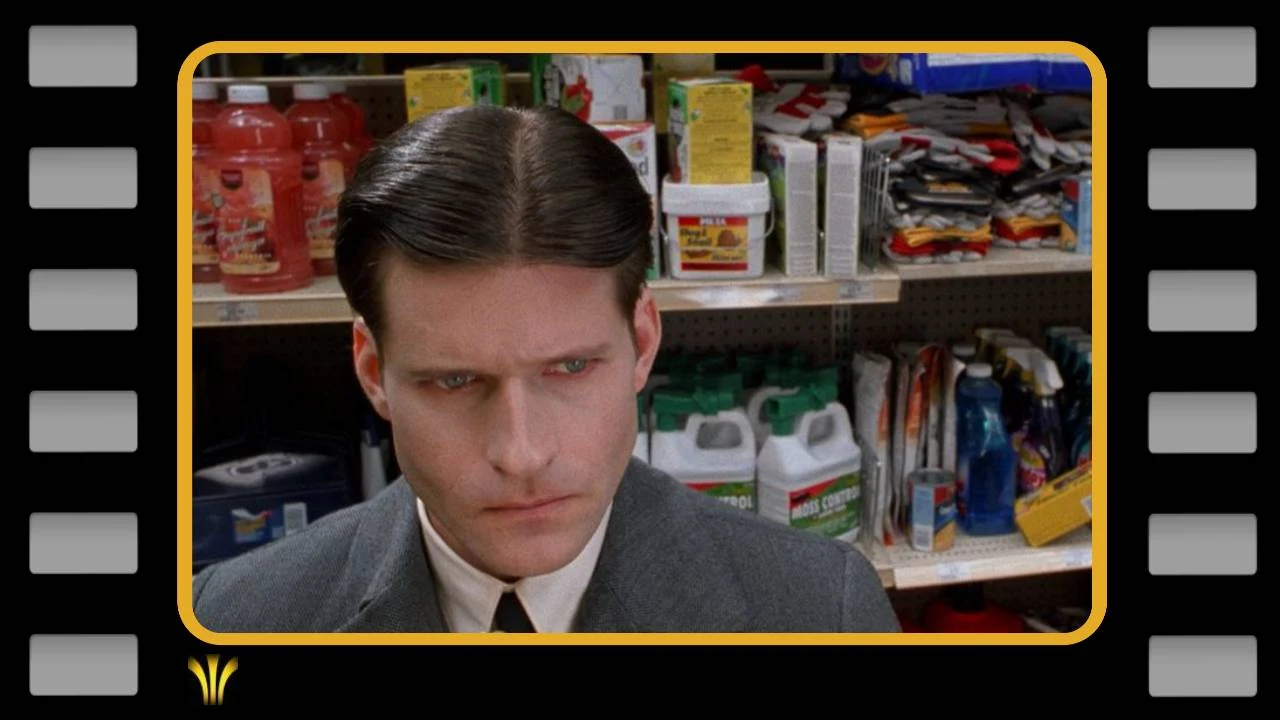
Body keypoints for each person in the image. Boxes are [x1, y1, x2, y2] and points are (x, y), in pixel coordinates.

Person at [192, 105, 899, 634]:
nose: (522, 454)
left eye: (570, 367)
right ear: (372, 370)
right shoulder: (231, 620)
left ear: (642, 343)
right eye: (454, 381)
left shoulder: (820, 612)